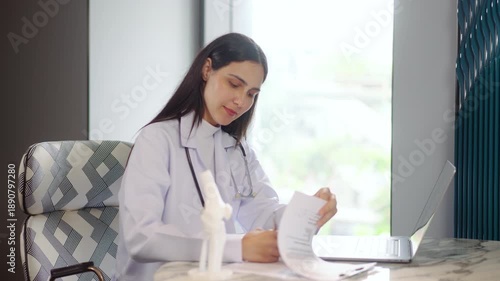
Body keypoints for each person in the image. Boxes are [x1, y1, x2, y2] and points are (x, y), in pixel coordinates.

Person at [113, 33, 337, 281]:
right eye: (234, 84)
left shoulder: (237, 151)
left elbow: (264, 215)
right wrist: (237, 247)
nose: (241, 101)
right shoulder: (157, 139)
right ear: (207, 69)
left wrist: (306, 215)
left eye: (252, 93)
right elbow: (141, 237)